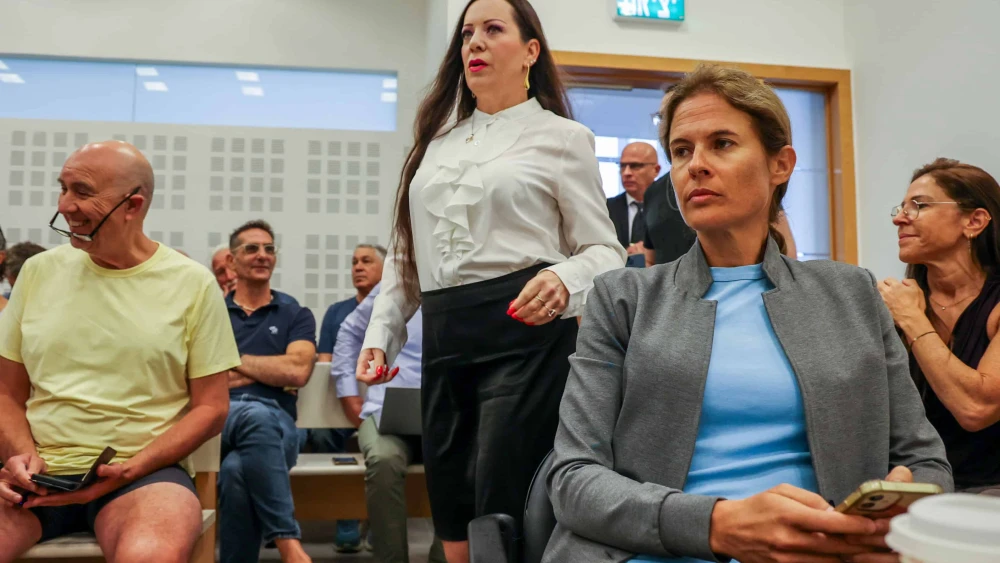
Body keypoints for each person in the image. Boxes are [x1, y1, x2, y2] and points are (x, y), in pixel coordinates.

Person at [543, 65, 953, 563]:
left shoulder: (853, 294)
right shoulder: (624, 298)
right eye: (681, 150)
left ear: (780, 164)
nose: (696, 165)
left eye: (722, 143)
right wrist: (717, 525)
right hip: (657, 552)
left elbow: (926, 460)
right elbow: (573, 478)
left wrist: (897, 508)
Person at [357, 1, 625, 561]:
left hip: (525, 337)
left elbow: (606, 252)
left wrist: (563, 278)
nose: (474, 42)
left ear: (530, 51)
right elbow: (406, 258)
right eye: (466, 33)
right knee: (451, 510)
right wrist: (382, 333)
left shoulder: (564, 137)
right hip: (446, 341)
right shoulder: (434, 146)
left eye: (492, 30)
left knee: (500, 514)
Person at [0, 141, 238, 561]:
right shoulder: (37, 273)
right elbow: (6, 394)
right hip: (41, 472)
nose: (66, 205)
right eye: (63, 188)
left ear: (133, 205)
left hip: (143, 476)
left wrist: (133, 467)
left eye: (83, 192)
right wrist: (20, 456)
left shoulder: (191, 284)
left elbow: (211, 407)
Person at [879, 157, 1000, 495]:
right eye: (901, 207)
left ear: (974, 221)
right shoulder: (895, 305)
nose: (899, 218)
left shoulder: (906, 310)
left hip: (989, 491)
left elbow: (976, 409)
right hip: (915, 484)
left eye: (919, 206)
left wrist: (912, 319)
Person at [220, 220, 317, 563]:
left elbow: (298, 371)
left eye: (269, 249)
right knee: (255, 415)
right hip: (218, 418)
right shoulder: (212, 314)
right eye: (251, 248)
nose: (263, 255)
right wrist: (269, 371)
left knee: (235, 472)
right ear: (231, 262)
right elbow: (200, 379)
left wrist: (234, 362)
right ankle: (289, 543)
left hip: (279, 425)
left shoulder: (296, 314)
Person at [332, 282, 446, 563]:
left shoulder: (471, 279)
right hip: (387, 410)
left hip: (450, 411)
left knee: (469, 463)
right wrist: (348, 393)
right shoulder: (396, 285)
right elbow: (349, 333)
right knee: (383, 460)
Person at [310, 243, 384, 553]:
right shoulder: (337, 312)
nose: (358, 267)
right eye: (354, 261)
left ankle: (378, 524)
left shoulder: (400, 307)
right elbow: (327, 364)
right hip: (342, 402)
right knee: (322, 432)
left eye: (366, 261)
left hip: (383, 402)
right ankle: (347, 518)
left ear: (386, 270)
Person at [607, 142, 659, 266]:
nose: (626, 173)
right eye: (623, 166)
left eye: (635, 166)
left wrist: (651, 252)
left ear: (656, 170)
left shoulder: (672, 208)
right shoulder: (605, 208)